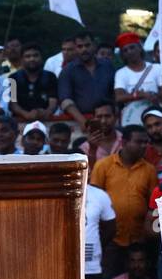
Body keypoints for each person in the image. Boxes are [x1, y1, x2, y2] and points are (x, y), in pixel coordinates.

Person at [89, 124, 156, 266]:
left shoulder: (149, 170)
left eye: (146, 142)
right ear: (124, 143)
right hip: (110, 239)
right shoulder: (103, 165)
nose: (144, 146)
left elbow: (154, 204)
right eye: (139, 142)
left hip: (139, 239)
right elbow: (94, 201)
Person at [57, 31, 115, 121]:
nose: (84, 49)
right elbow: (65, 100)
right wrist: (82, 120)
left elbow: (115, 94)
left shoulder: (107, 66)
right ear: (75, 48)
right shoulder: (68, 71)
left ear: (94, 46)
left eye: (87, 45)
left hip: (107, 119)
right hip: (80, 121)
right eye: (80, 46)